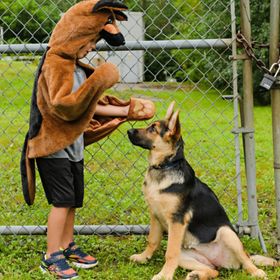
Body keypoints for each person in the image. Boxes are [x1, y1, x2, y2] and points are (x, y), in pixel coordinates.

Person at [20, 1, 155, 279]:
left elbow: (90, 104)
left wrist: (126, 110)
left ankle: (67, 245)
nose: (93, 46)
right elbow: (62, 105)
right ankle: (51, 255)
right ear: (76, 36)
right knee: (61, 201)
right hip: (53, 145)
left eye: (95, 41)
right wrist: (102, 78)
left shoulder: (77, 66)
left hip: (74, 146)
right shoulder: (56, 63)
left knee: (72, 200)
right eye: (90, 40)